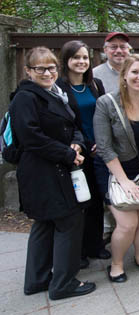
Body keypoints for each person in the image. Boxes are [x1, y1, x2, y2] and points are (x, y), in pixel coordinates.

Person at [12, 46, 96, 300]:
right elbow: (31, 138)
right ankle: (63, 283)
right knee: (68, 220)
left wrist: (77, 143)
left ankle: (37, 280)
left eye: (51, 68)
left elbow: (73, 125)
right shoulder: (25, 98)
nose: (47, 73)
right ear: (28, 71)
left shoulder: (56, 93)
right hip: (43, 172)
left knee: (45, 223)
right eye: (40, 69)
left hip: (56, 167)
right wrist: (68, 153)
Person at [94, 54, 139, 282]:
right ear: (124, 75)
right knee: (127, 225)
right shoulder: (106, 103)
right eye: (135, 72)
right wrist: (124, 181)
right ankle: (116, 264)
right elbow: (104, 148)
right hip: (115, 172)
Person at [56, 40, 110, 270]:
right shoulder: (59, 88)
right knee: (80, 202)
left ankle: (95, 244)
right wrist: (86, 144)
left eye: (85, 58)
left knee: (97, 200)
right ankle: (77, 251)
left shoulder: (95, 84)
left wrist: (102, 142)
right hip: (77, 153)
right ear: (66, 60)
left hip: (99, 150)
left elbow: (105, 115)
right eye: (76, 57)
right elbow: (64, 123)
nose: (81, 62)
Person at [93, 31, 131, 244]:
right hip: (107, 143)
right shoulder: (95, 75)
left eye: (123, 47)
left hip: (133, 143)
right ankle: (108, 230)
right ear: (105, 50)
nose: (118, 50)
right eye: (113, 46)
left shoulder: (135, 70)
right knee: (109, 188)